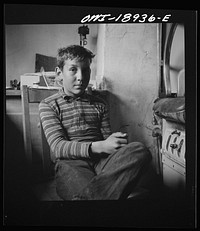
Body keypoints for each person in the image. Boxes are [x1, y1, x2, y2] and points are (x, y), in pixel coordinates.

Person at [39, 45, 152, 200]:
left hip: (102, 163)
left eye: (85, 70)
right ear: (59, 74)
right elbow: (58, 148)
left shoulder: (99, 104)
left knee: (139, 150)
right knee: (80, 180)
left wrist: (114, 144)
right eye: (73, 70)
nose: (81, 77)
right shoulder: (48, 105)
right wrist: (100, 146)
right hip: (71, 164)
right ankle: (99, 197)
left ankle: (88, 200)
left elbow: (107, 141)